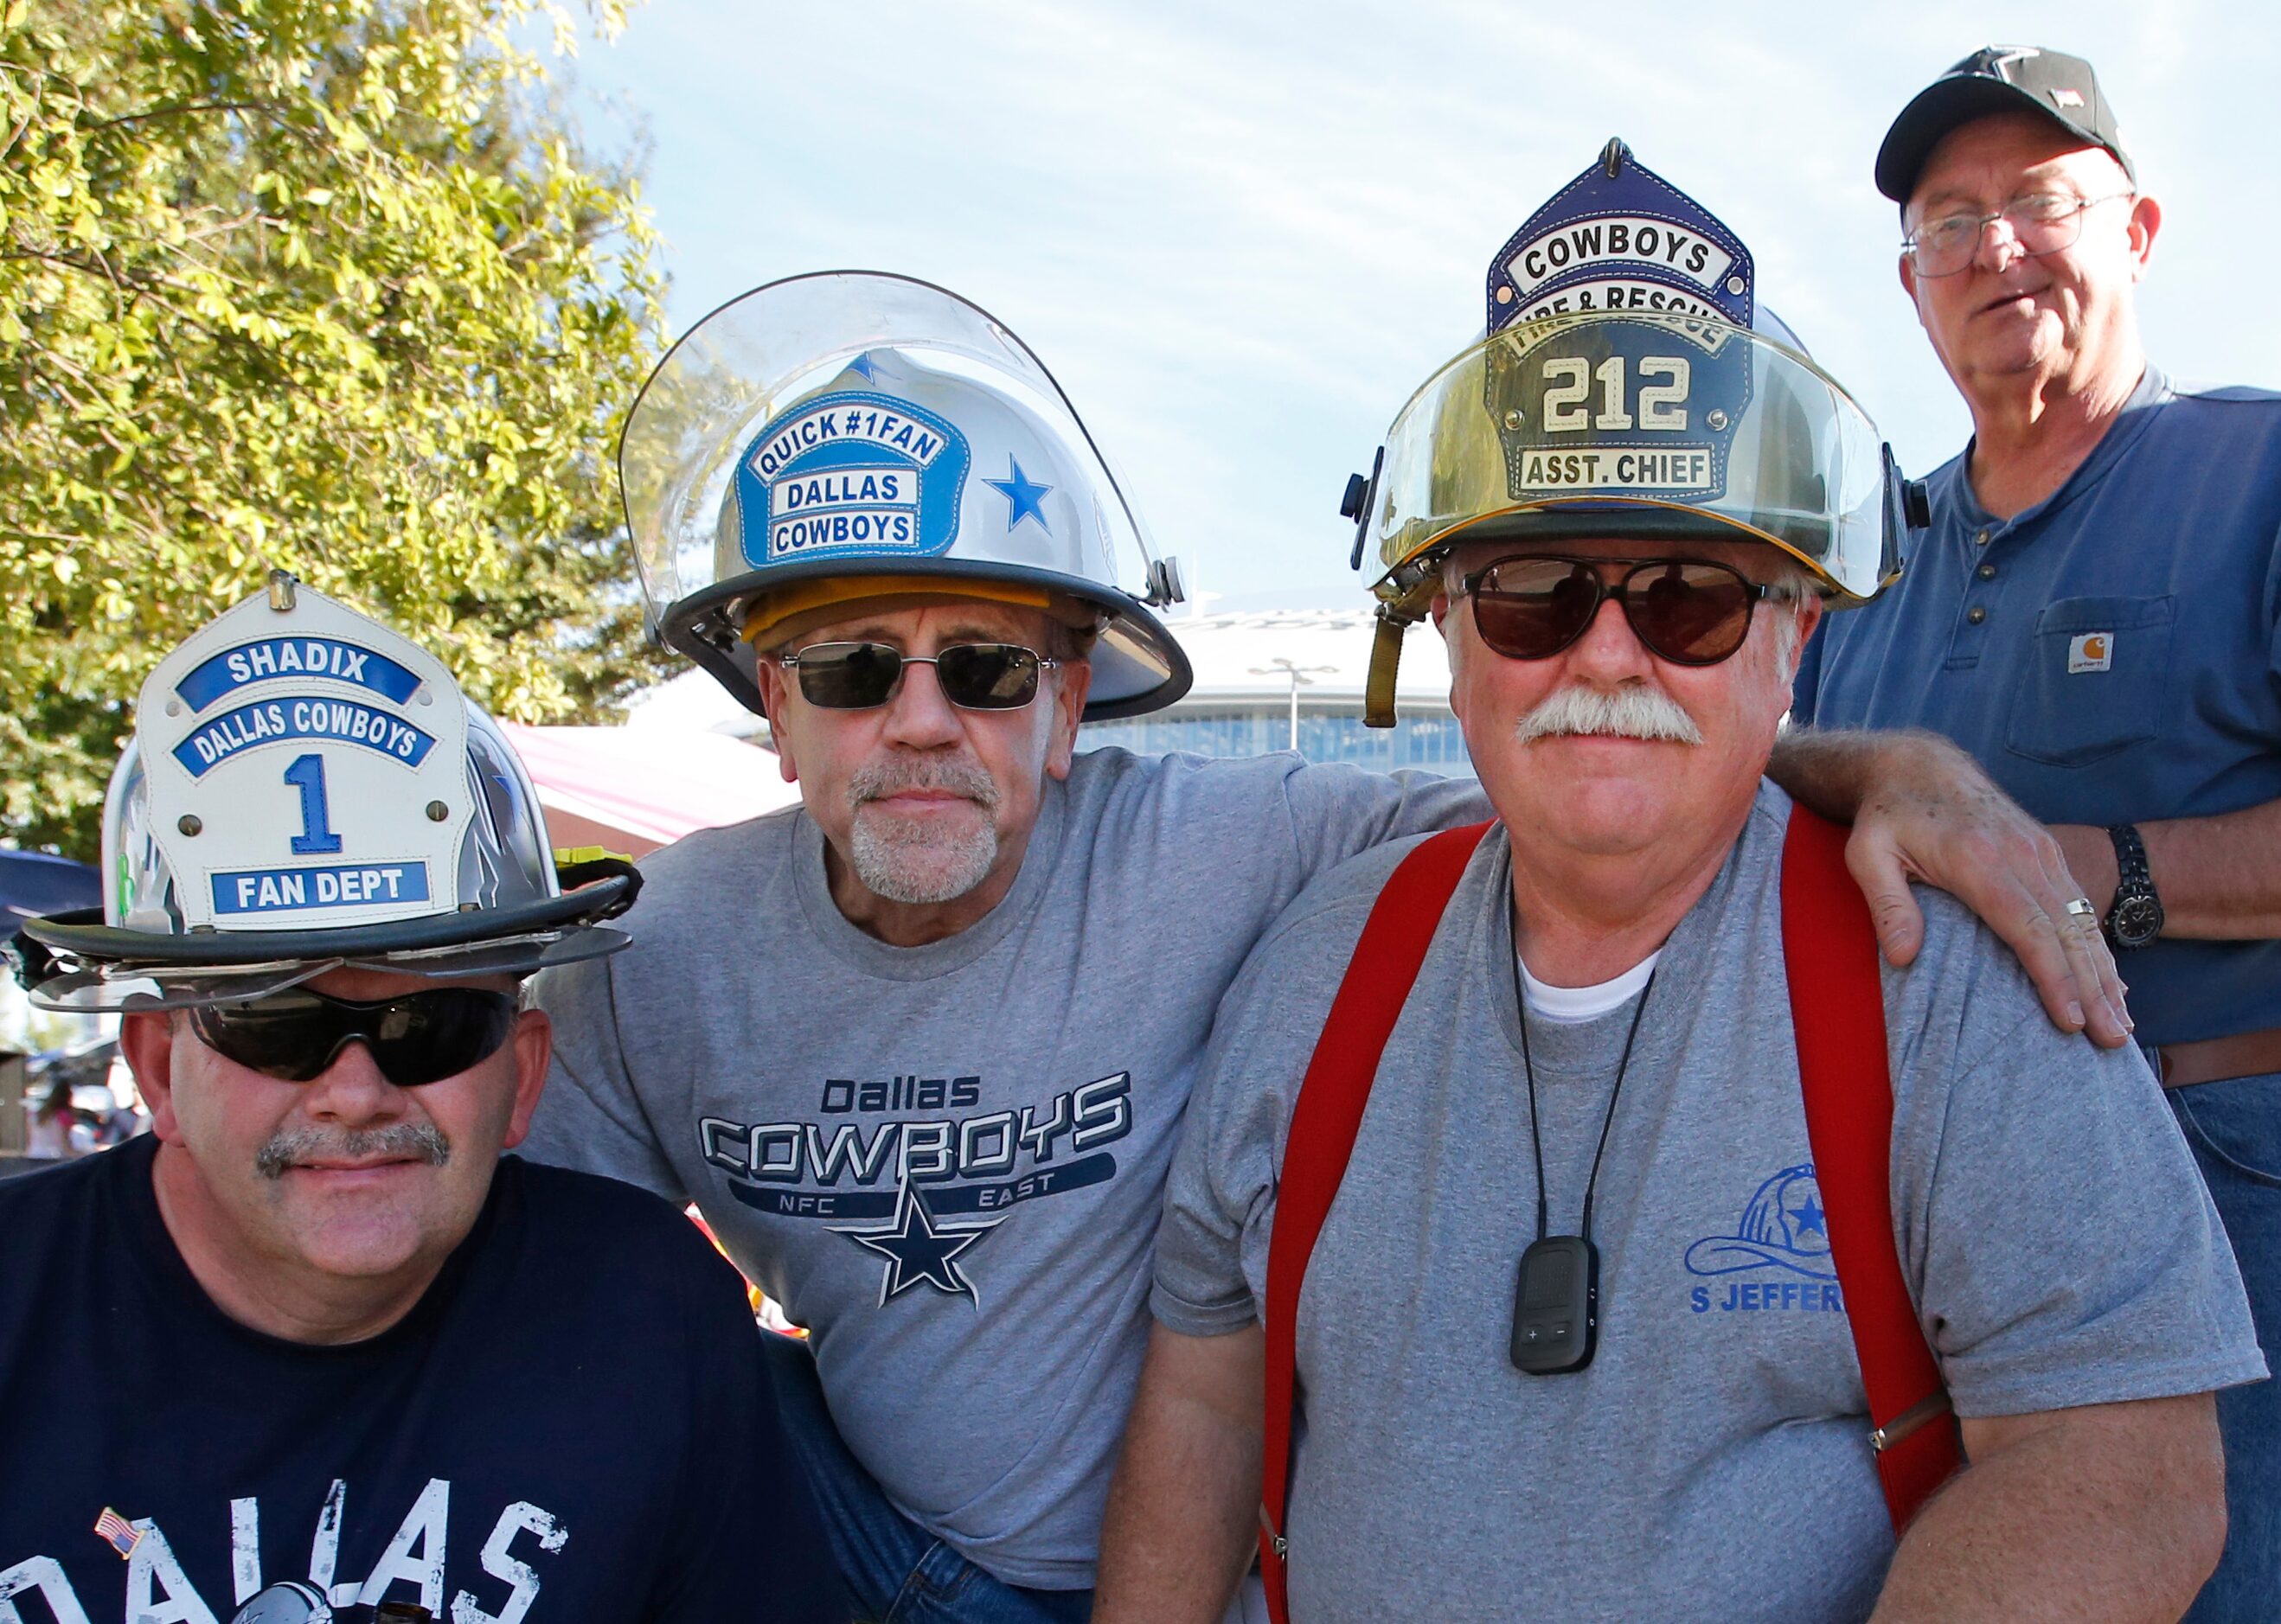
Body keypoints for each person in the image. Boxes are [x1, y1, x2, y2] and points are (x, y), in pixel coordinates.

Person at [523, 271, 2128, 1623]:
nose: (924, 722)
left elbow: (1578, 770)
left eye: (992, 670)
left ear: (1075, 702)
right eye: (856, 666)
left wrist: (1878, 768)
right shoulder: (650, 950)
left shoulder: (1234, 847)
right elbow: (518, 1295)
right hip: (863, 1537)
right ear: (770, 708)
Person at [1092, 147, 2264, 1624]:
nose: (1602, 654)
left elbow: (2128, 1463)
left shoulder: (1940, 977)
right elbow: (1203, 1403)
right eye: (1532, 592)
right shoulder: (1314, 965)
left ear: (1792, 640)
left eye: (1687, 598)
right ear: (1446, 636)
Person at [0, 576, 839, 1623]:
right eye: (276, 1025)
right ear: (160, 1070)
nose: (355, 1092)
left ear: (522, 1072)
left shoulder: (647, 1313)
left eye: (429, 1026)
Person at [1788, 46, 2281, 1618]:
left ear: (2134, 229)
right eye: (1950, 220)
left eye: (2038, 201)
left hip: (2224, 1194)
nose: (1994, 246)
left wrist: (2092, 871)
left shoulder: (2254, 471)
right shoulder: (1864, 563)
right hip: (1905, 1236)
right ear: (1910, 281)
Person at [22, 1069, 90, 1160]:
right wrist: (87, 1155)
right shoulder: (64, 1116)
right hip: (53, 1158)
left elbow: (29, 1140)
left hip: (34, 1155)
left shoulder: (35, 1114)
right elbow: (66, 1147)